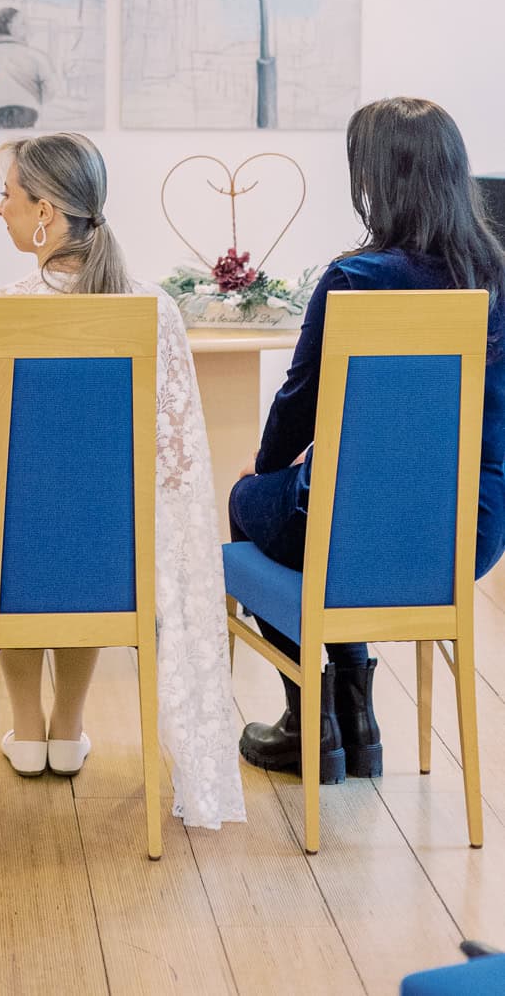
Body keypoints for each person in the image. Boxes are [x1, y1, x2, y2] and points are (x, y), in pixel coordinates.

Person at [0, 132, 245, 830]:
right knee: (90, 529)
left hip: (14, 571)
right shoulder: (155, 312)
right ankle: (67, 731)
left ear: (45, 211)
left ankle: (26, 726)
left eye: (7, 197)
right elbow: (177, 460)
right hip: (114, 570)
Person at [231, 96, 505, 783]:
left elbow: (297, 406)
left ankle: (312, 722)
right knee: (329, 507)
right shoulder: (494, 278)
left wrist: (259, 475)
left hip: (352, 527)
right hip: (469, 530)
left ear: (379, 181)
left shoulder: (355, 279)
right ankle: (358, 719)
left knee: (254, 502)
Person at [0, 6, 56, 129]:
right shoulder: (35, 56)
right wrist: (38, 101)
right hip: (28, 108)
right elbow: (50, 88)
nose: (29, 28)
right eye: (23, 24)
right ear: (11, 27)